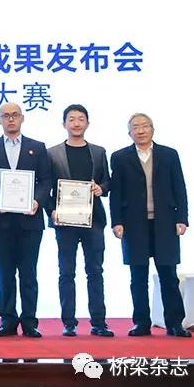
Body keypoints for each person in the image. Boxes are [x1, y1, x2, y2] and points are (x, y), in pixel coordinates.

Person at [110, 113, 191, 337]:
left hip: (165, 222)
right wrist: (116, 221)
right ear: (129, 133)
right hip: (133, 224)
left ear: (153, 129)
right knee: (138, 277)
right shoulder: (120, 157)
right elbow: (116, 192)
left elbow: (180, 187)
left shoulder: (169, 154)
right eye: (135, 127)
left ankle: (174, 323)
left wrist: (182, 218)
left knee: (168, 275)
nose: (141, 130)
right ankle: (141, 323)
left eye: (145, 126)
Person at [0, 102, 51, 338]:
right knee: (5, 273)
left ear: (22, 118)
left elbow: (46, 181)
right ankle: (7, 320)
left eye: (15, 115)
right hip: (0, 222)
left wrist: (37, 201)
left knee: (29, 273)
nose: (10, 119)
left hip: (30, 221)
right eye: (6, 116)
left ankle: (30, 321)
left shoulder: (37, 148)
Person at [46, 104, 114, 337]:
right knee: (66, 272)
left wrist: (101, 188)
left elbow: (108, 181)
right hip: (64, 221)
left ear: (88, 123)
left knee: (95, 271)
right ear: (64, 123)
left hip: (93, 220)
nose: (76, 123)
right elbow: (45, 186)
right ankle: (69, 322)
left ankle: (99, 322)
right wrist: (51, 211)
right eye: (72, 119)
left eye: (81, 119)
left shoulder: (98, 151)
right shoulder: (52, 153)